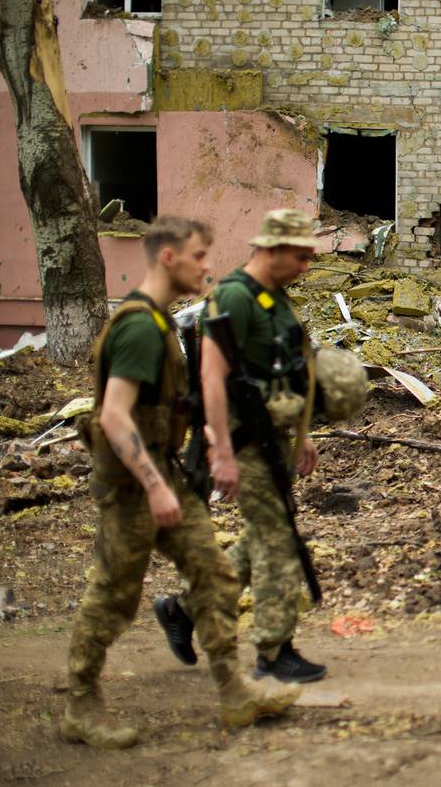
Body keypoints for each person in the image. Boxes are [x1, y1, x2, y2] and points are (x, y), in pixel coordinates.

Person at [64, 216, 300, 750]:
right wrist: (153, 486)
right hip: (132, 485)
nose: (208, 266)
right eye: (198, 256)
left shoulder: (161, 321)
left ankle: (234, 691)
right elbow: (114, 417)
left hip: (164, 473)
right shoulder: (140, 329)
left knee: (214, 575)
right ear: (169, 258)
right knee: (114, 595)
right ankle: (80, 704)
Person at [155, 209, 326, 683]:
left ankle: (184, 610)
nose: (305, 266)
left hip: (273, 437)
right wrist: (221, 453)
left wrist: (303, 435)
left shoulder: (275, 299)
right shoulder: (232, 296)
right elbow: (211, 376)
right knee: (276, 541)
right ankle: (274, 651)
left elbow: (290, 369)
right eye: (300, 256)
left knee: (263, 537)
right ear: (270, 249)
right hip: (242, 440)